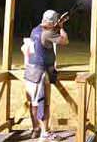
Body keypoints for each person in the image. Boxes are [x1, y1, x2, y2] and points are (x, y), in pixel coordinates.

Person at [23, 10, 69, 141]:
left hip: (30, 72)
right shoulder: (48, 33)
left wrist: (56, 25)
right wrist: (61, 27)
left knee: (34, 103)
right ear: (53, 22)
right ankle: (45, 133)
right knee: (44, 103)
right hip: (40, 73)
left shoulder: (35, 30)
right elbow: (65, 40)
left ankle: (36, 129)